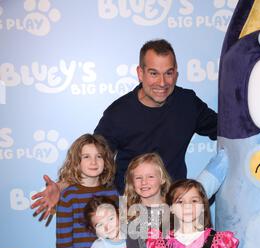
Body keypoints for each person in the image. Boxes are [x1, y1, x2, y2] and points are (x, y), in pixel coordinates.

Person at [30, 38, 217, 217]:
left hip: (173, 210)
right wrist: (61, 187)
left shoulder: (187, 103)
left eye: (168, 73)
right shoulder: (118, 114)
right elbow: (94, 159)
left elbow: (225, 129)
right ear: (140, 73)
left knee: (188, 247)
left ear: (176, 73)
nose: (162, 82)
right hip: (132, 210)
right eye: (153, 73)